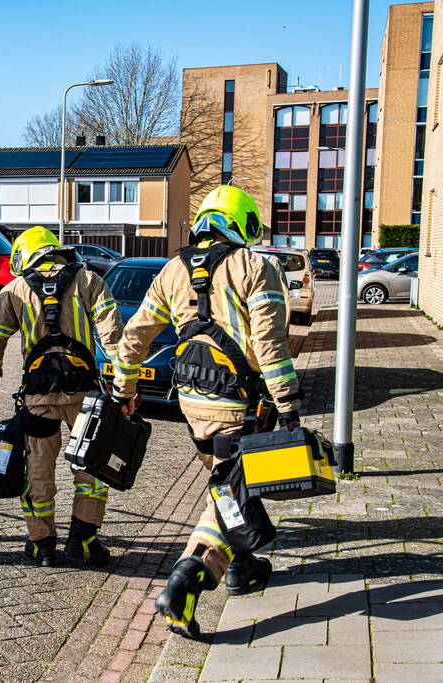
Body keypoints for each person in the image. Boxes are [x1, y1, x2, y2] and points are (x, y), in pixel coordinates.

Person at [111, 186, 301, 639]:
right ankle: (189, 576)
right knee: (229, 493)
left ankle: (244, 566)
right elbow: (270, 346)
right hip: (239, 402)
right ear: (242, 225)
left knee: (226, 483)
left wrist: (125, 389)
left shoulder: (171, 270)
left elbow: (135, 335)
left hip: (191, 400)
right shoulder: (256, 267)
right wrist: (289, 404)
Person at [0, 226, 124, 568]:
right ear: (56, 251)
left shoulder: (14, 290)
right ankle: (84, 540)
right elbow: (113, 335)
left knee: (38, 472)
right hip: (83, 395)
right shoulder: (89, 281)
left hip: (38, 398)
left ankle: (41, 545)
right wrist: (123, 380)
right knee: (90, 469)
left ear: (24, 257)